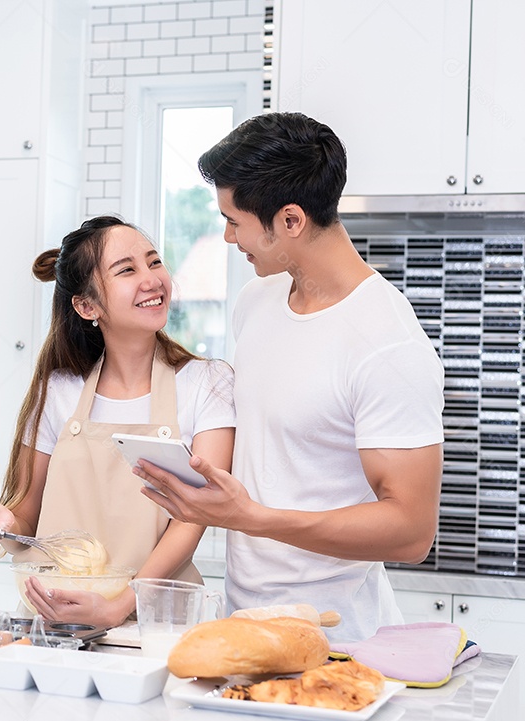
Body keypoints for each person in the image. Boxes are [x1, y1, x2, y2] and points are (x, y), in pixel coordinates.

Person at [134, 112, 444, 642]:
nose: (228, 236)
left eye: (234, 220)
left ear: (291, 220)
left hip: (338, 639)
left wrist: (251, 517)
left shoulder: (388, 343)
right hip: (244, 621)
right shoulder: (258, 300)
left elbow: (412, 533)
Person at [0, 216, 235, 628]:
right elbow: (26, 513)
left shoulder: (207, 383)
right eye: (127, 269)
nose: (152, 279)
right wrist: (2, 520)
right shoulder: (58, 390)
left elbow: (194, 517)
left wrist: (119, 606)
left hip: (159, 624)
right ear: (86, 305)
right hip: (59, 624)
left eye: (154, 262)